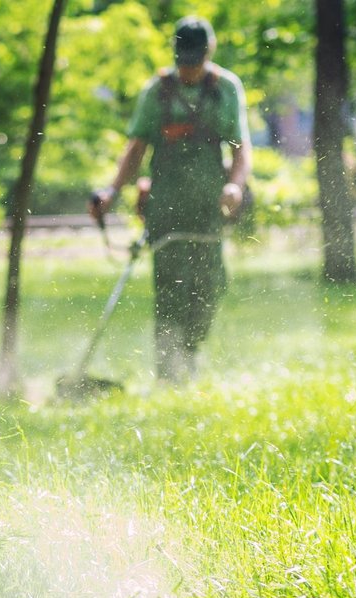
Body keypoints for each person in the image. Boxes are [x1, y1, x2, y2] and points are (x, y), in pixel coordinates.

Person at [88, 15, 251, 383]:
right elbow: (136, 148)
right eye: (183, 60)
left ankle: (190, 355)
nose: (189, 67)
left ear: (209, 52)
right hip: (166, 201)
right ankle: (168, 371)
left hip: (209, 201)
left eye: (195, 59)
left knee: (209, 285)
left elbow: (241, 147)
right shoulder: (156, 91)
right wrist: (112, 191)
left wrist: (235, 186)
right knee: (170, 286)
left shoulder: (225, 88)